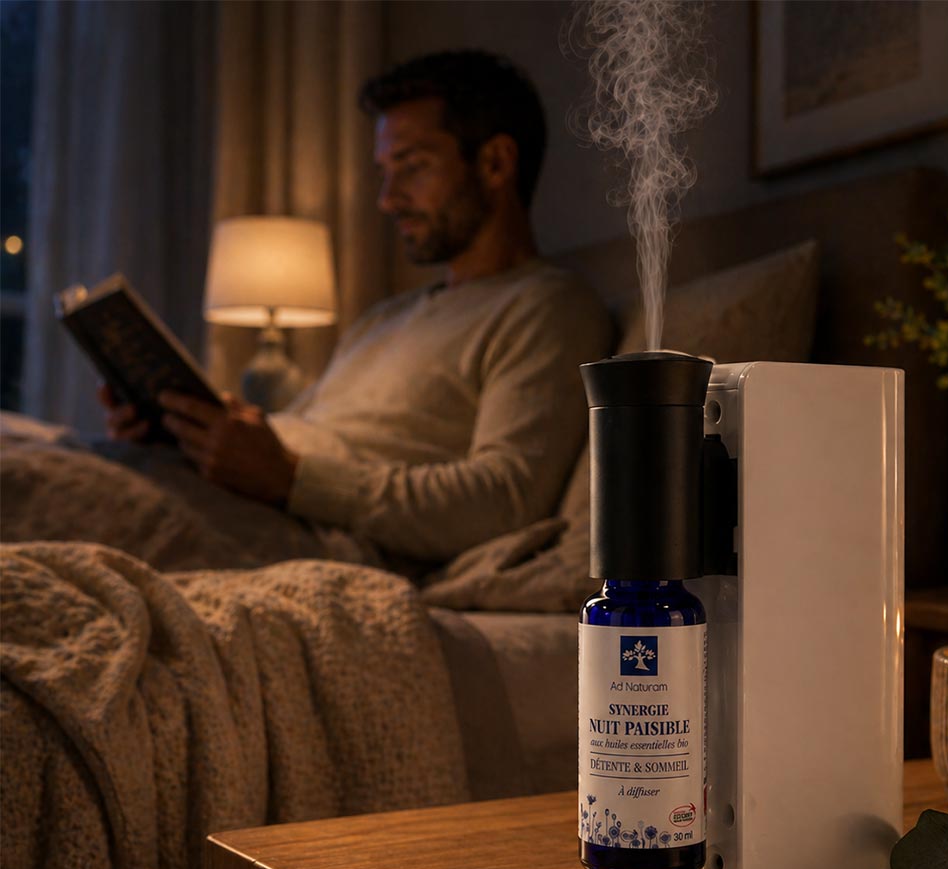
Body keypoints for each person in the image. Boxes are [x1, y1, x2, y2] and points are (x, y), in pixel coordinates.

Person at [99, 50, 612, 567]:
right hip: (249, 503)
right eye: (384, 172)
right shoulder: (383, 319)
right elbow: (296, 438)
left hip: (311, 537)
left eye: (412, 167)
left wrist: (294, 478)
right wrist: (189, 436)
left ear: (496, 162)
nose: (388, 199)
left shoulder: (548, 307)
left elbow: (503, 500)